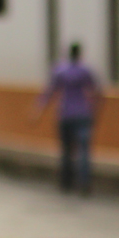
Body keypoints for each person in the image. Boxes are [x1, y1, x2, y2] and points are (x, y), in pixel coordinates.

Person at [34, 42, 102, 194]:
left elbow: (49, 92)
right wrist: (95, 111)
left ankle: (66, 182)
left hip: (65, 114)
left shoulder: (60, 71)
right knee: (84, 150)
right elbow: (97, 92)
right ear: (80, 54)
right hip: (83, 113)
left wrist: (37, 111)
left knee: (66, 150)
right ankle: (84, 182)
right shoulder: (86, 70)